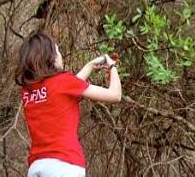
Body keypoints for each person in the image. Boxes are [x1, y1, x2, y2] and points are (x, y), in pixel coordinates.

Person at [16, 32, 122, 177]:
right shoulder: (63, 82)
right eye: (57, 51)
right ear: (50, 57)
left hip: (36, 167)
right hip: (64, 165)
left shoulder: (27, 90)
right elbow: (115, 95)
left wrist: (90, 65)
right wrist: (112, 67)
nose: (60, 55)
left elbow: (65, 90)